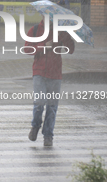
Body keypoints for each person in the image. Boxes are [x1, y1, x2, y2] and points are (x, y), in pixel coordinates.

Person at [24, 16, 75, 146]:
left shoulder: (61, 31)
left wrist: (67, 35)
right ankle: (35, 126)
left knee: (52, 107)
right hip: (39, 72)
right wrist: (43, 46)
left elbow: (71, 50)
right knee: (39, 102)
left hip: (55, 73)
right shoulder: (35, 30)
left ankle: (48, 135)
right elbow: (27, 49)